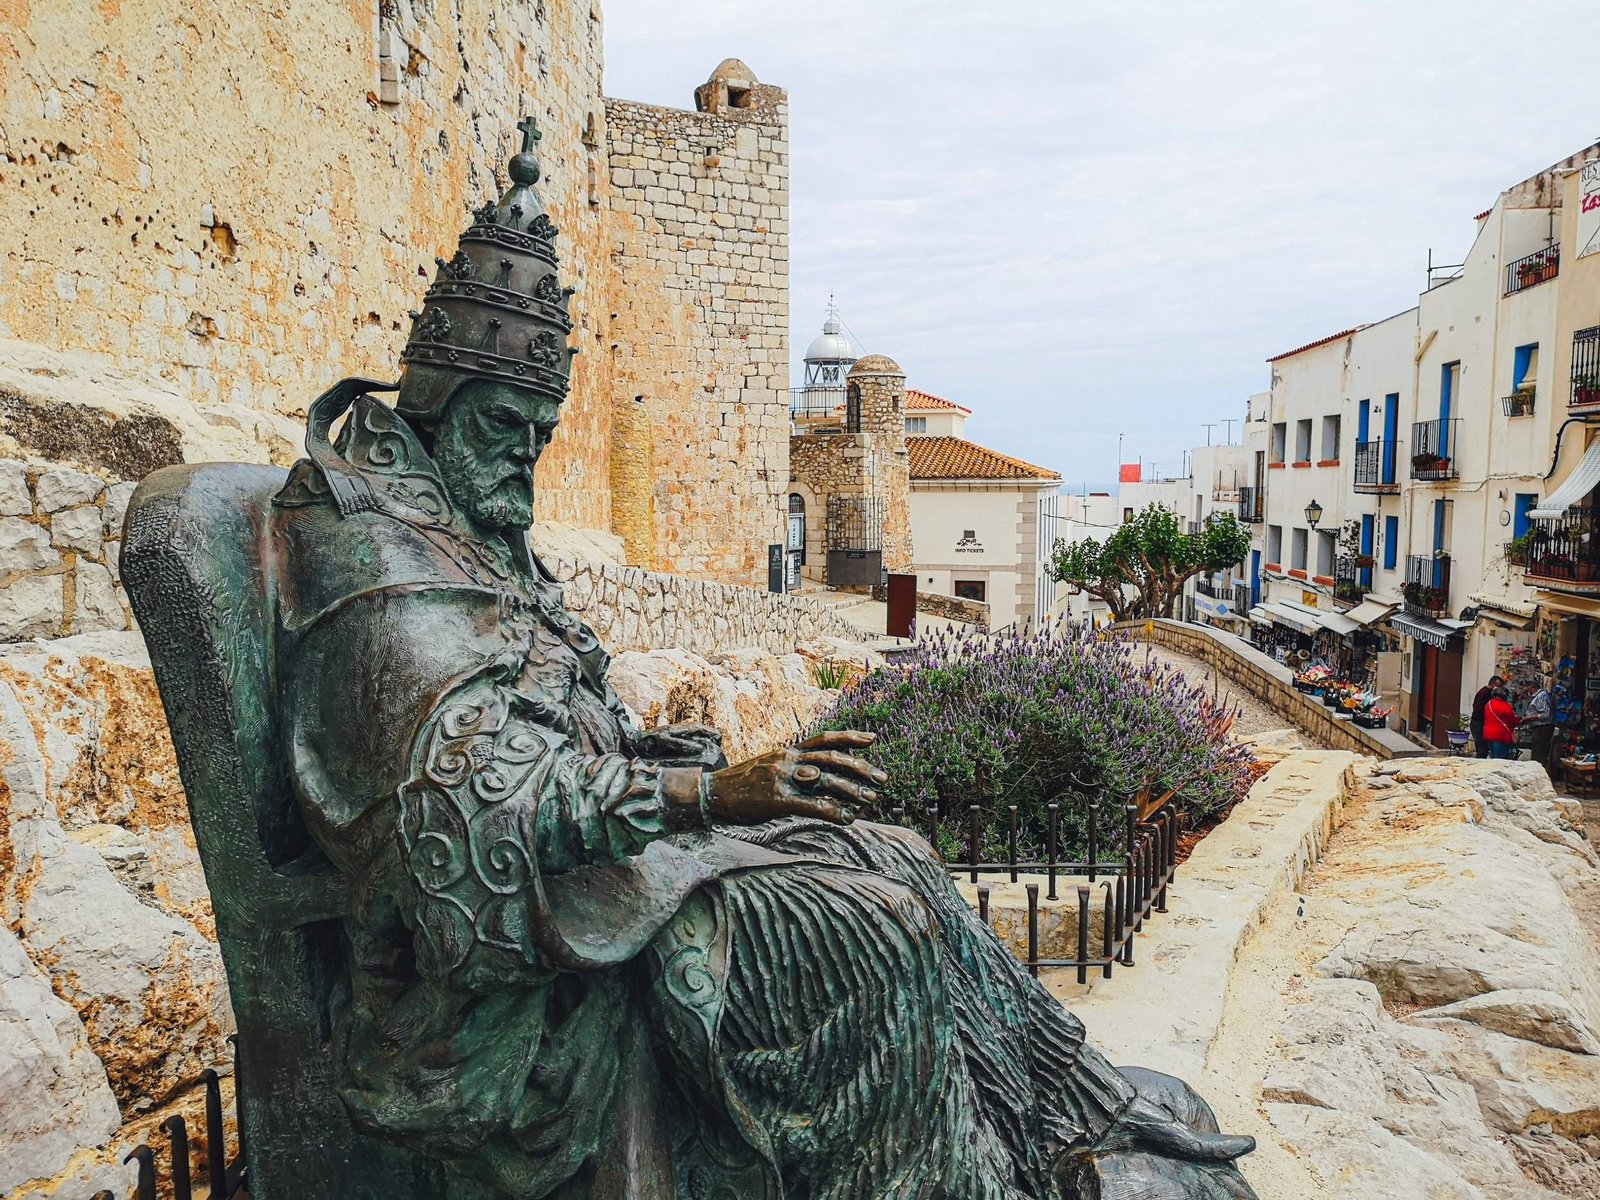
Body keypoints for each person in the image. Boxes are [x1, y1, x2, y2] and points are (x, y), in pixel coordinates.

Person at [229, 121, 1259, 1199]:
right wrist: (712, 790)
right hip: (510, 971)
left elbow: (553, 724)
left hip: (595, 878)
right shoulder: (379, 566)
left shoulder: (461, 530)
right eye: (505, 428)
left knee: (892, 851)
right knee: (870, 931)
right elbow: (473, 808)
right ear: (437, 407)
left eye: (540, 432)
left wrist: (685, 769)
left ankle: (1058, 1108)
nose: (526, 460)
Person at [1470, 674, 1505, 759]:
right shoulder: (1484, 693)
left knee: (1485, 749)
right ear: (1493, 684)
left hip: (1483, 724)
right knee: (1482, 749)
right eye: (1498, 686)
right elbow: (1478, 710)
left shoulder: (1489, 693)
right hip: (1478, 724)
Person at [1482, 687, 1519, 760]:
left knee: (1493, 756)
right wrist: (1519, 719)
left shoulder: (1488, 703)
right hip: (1501, 735)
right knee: (1499, 759)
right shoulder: (1505, 706)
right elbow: (1513, 720)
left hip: (1488, 733)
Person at [1524, 681, 1556, 768]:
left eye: (1529, 690)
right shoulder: (1540, 696)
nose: (1528, 693)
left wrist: (1530, 718)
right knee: (1537, 754)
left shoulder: (1541, 696)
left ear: (1533, 688)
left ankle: (1539, 775)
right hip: (1540, 728)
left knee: (1538, 755)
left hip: (1542, 729)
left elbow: (1546, 714)